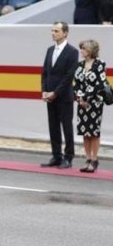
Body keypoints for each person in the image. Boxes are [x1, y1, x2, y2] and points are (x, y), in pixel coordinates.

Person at [41, 22, 78, 169]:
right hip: (50, 96)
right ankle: (56, 155)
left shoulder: (72, 52)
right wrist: (44, 90)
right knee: (53, 126)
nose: (53, 33)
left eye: (56, 31)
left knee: (66, 127)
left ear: (65, 33)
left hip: (64, 97)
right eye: (52, 30)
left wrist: (55, 93)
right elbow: (45, 73)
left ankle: (68, 157)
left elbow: (69, 77)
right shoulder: (50, 50)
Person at [73, 40, 106, 173]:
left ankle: (94, 159)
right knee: (85, 132)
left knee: (94, 132)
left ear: (91, 50)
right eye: (81, 48)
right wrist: (80, 98)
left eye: (84, 49)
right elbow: (76, 83)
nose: (81, 51)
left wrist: (87, 98)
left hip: (95, 103)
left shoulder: (100, 64)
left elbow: (100, 84)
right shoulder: (79, 65)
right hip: (82, 103)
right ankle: (87, 159)